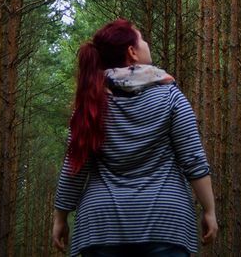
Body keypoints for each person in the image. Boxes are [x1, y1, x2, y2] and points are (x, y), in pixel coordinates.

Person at [52, 18, 218, 256]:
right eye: (141, 39)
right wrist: (209, 210)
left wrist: (61, 217)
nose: (146, 43)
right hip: (166, 224)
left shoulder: (90, 104)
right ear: (132, 52)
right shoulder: (171, 96)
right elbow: (193, 159)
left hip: (101, 228)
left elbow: (75, 167)